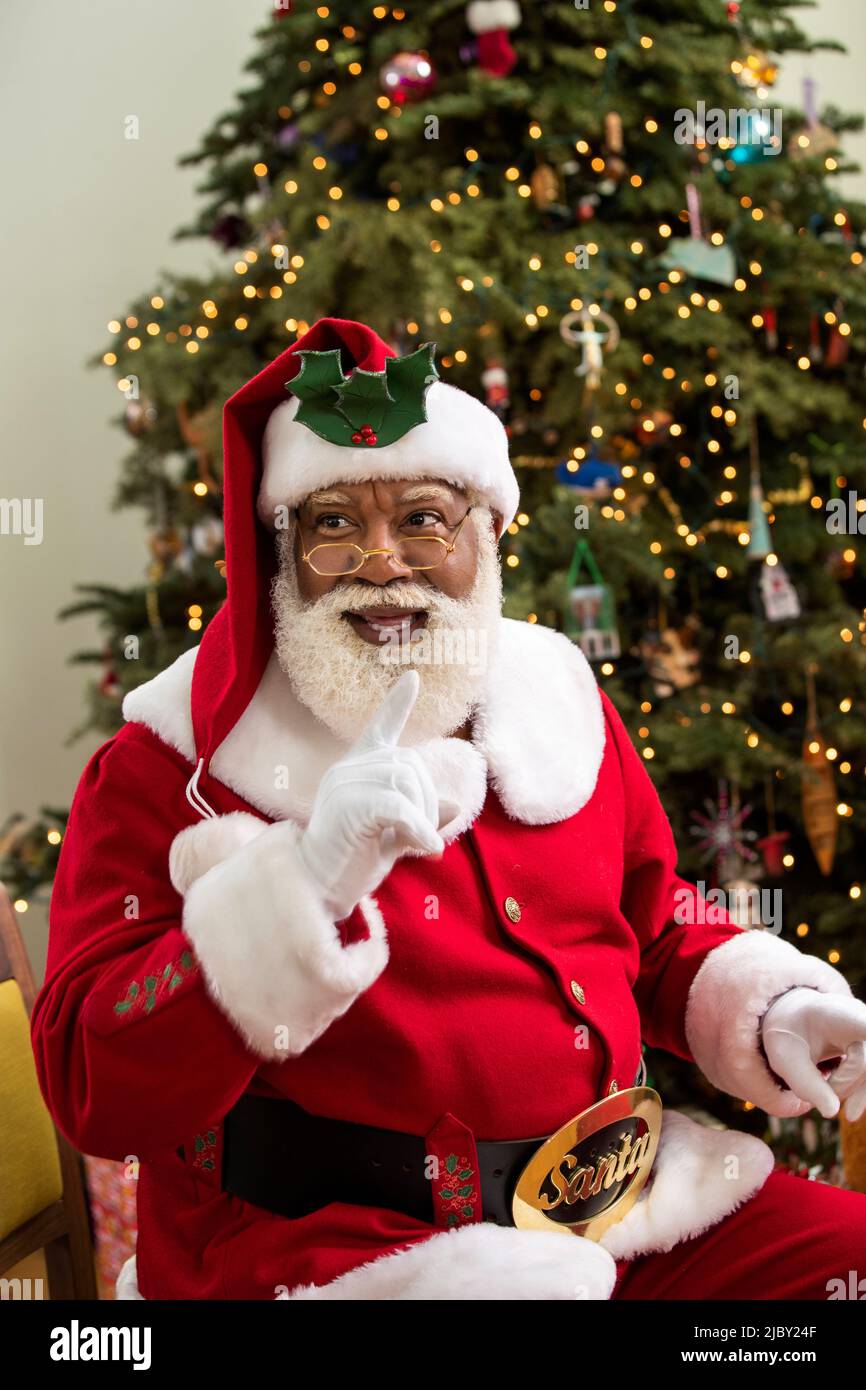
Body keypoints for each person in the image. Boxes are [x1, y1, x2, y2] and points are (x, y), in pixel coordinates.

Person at [31, 317, 866, 1300]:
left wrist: (764, 1004)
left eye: (423, 517)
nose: (382, 558)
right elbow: (92, 1079)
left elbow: (651, 924)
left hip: (625, 1207)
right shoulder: (167, 762)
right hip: (339, 1259)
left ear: (488, 534)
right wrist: (298, 890)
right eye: (334, 524)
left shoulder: (554, 696)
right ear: (280, 553)